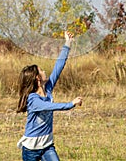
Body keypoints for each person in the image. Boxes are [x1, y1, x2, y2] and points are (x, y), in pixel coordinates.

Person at [17, 31, 83, 161]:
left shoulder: (47, 88)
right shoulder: (33, 99)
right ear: (37, 78)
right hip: (31, 150)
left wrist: (67, 43)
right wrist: (71, 103)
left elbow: (59, 66)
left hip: (47, 145)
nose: (44, 71)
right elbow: (51, 106)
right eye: (41, 71)